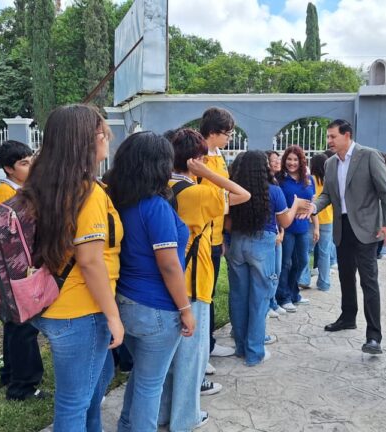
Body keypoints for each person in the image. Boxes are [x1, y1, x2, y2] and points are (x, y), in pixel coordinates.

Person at [16, 105, 124, 430]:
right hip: (81, 310)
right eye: (105, 134)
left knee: (94, 384)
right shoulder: (86, 193)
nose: (108, 141)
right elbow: (90, 262)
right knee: (74, 402)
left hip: (53, 304)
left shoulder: (42, 185)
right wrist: (113, 317)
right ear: (91, 140)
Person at [158, 129, 250, 431]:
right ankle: (185, 417)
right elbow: (242, 194)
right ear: (196, 160)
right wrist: (208, 174)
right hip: (193, 281)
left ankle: (161, 413)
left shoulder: (160, 187)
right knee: (191, 356)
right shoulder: (199, 193)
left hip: (163, 280)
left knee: (167, 357)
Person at [108, 131, 196, 431]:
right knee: (150, 385)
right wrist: (185, 308)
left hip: (125, 303)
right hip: (157, 307)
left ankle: (126, 426)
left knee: (142, 377)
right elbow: (169, 266)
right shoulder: (154, 206)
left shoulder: (118, 202)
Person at [313, 119, 386, 356]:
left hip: (367, 229)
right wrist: (312, 208)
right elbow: (327, 195)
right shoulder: (330, 163)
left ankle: (373, 336)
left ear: (346, 135)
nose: (329, 141)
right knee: (345, 275)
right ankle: (348, 317)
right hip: (342, 228)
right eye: (328, 137)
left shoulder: (369, 156)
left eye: (332, 136)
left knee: (368, 281)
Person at [227, 151, 307, 366]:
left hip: (237, 244)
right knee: (259, 300)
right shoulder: (273, 191)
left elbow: (227, 223)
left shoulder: (232, 192)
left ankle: (241, 348)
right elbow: (286, 222)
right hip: (263, 246)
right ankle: (254, 352)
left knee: (238, 297)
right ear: (264, 168)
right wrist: (295, 205)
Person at [0, 140, 44, 401]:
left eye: (31, 159)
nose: (30, 165)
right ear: (9, 169)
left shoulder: (23, 190)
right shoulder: (4, 193)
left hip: (19, 270)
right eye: (23, 162)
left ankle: (10, 375)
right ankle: (23, 386)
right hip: (15, 273)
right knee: (23, 328)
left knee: (16, 326)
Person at [199, 107, 236, 359]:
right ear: (213, 132)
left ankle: (208, 343)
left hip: (216, 235)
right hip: (201, 236)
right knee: (202, 296)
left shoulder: (219, 155)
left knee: (209, 294)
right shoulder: (199, 157)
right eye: (227, 133)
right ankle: (202, 349)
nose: (229, 138)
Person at [275, 145, 319, 312]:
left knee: (302, 262)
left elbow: (312, 204)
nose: (292, 163)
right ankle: (283, 297)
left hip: (303, 227)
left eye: (295, 159)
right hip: (285, 227)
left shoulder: (309, 180)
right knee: (285, 263)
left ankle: (294, 293)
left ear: (301, 161)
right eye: (289, 159)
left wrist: (316, 227)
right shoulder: (279, 179)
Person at [299, 153, 334, 291]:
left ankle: (304, 279)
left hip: (310, 219)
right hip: (328, 219)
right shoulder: (330, 180)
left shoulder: (308, 179)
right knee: (325, 252)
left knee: (306, 251)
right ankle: (324, 283)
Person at [265, 150, 286, 316]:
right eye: (274, 160)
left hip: (277, 231)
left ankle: (273, 301)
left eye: (278, 159)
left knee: (276, 271)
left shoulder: (277, 183)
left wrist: (282, 231)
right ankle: (269, 303)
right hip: (268, 233)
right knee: (270, 272)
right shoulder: (266, 186)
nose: (278, 162)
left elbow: (280, 214)